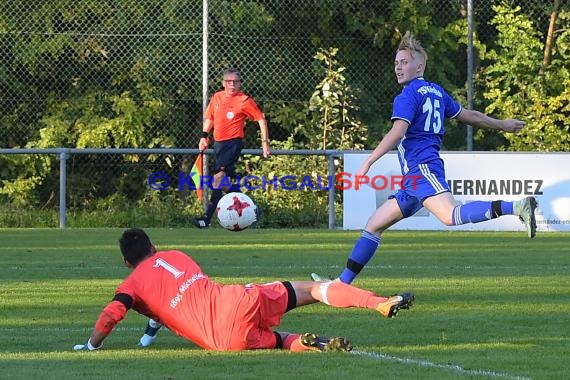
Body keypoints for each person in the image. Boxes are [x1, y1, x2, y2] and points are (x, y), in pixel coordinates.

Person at [312, 31, 538, 285]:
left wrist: (368, 161)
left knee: (450, 215)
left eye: (404, 62)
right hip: (413, 179)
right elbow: (470, 117)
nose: (398, 67)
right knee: (374, 224)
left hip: (422, 169)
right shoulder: (437, 92)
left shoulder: (408, 95)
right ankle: (342, 285)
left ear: (419, 66)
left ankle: (516, 206)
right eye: (396, 63)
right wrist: (502, 124)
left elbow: (398, 132)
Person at [73, 228, 414, 353]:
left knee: (279, 340)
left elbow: (111, 315)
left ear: (125, 262)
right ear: (154, 246)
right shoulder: (175, 255)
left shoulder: (131, 285)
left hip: (222, 342)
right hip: (236, 301)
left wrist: (91, 345)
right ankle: (378, 302)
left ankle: (314, 345)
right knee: (313, 288)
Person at [190, 68, 270, 229]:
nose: (232, 84)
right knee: (224, 183)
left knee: (217, 179)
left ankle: (206, 219)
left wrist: (265, 143)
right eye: (228, 81)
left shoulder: (244, 100)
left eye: (235, 81)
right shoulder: (217, 97)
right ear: (223, 83)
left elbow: (261, 119)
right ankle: (253, 208)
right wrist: (204, 136)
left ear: (240, 83)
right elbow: (210, 119)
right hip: (218, 144)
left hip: (233, 144)